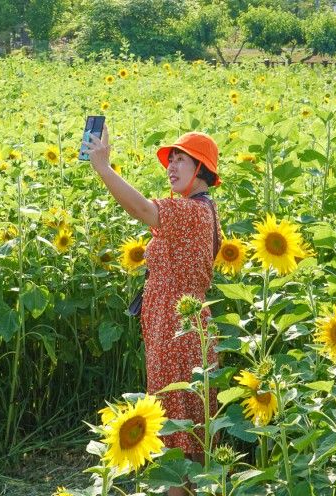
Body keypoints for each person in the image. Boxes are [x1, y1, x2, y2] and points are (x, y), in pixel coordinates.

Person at [84, 125, 222, 494]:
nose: (171, 167)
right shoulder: (197, 209)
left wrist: (103, 168)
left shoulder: (191, 212)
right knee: (183, 423)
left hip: (179, 330)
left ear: (202, 169)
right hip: (174, 326)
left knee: (177, 424)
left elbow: (140, 208)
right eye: (170, 161)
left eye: (181, 160)